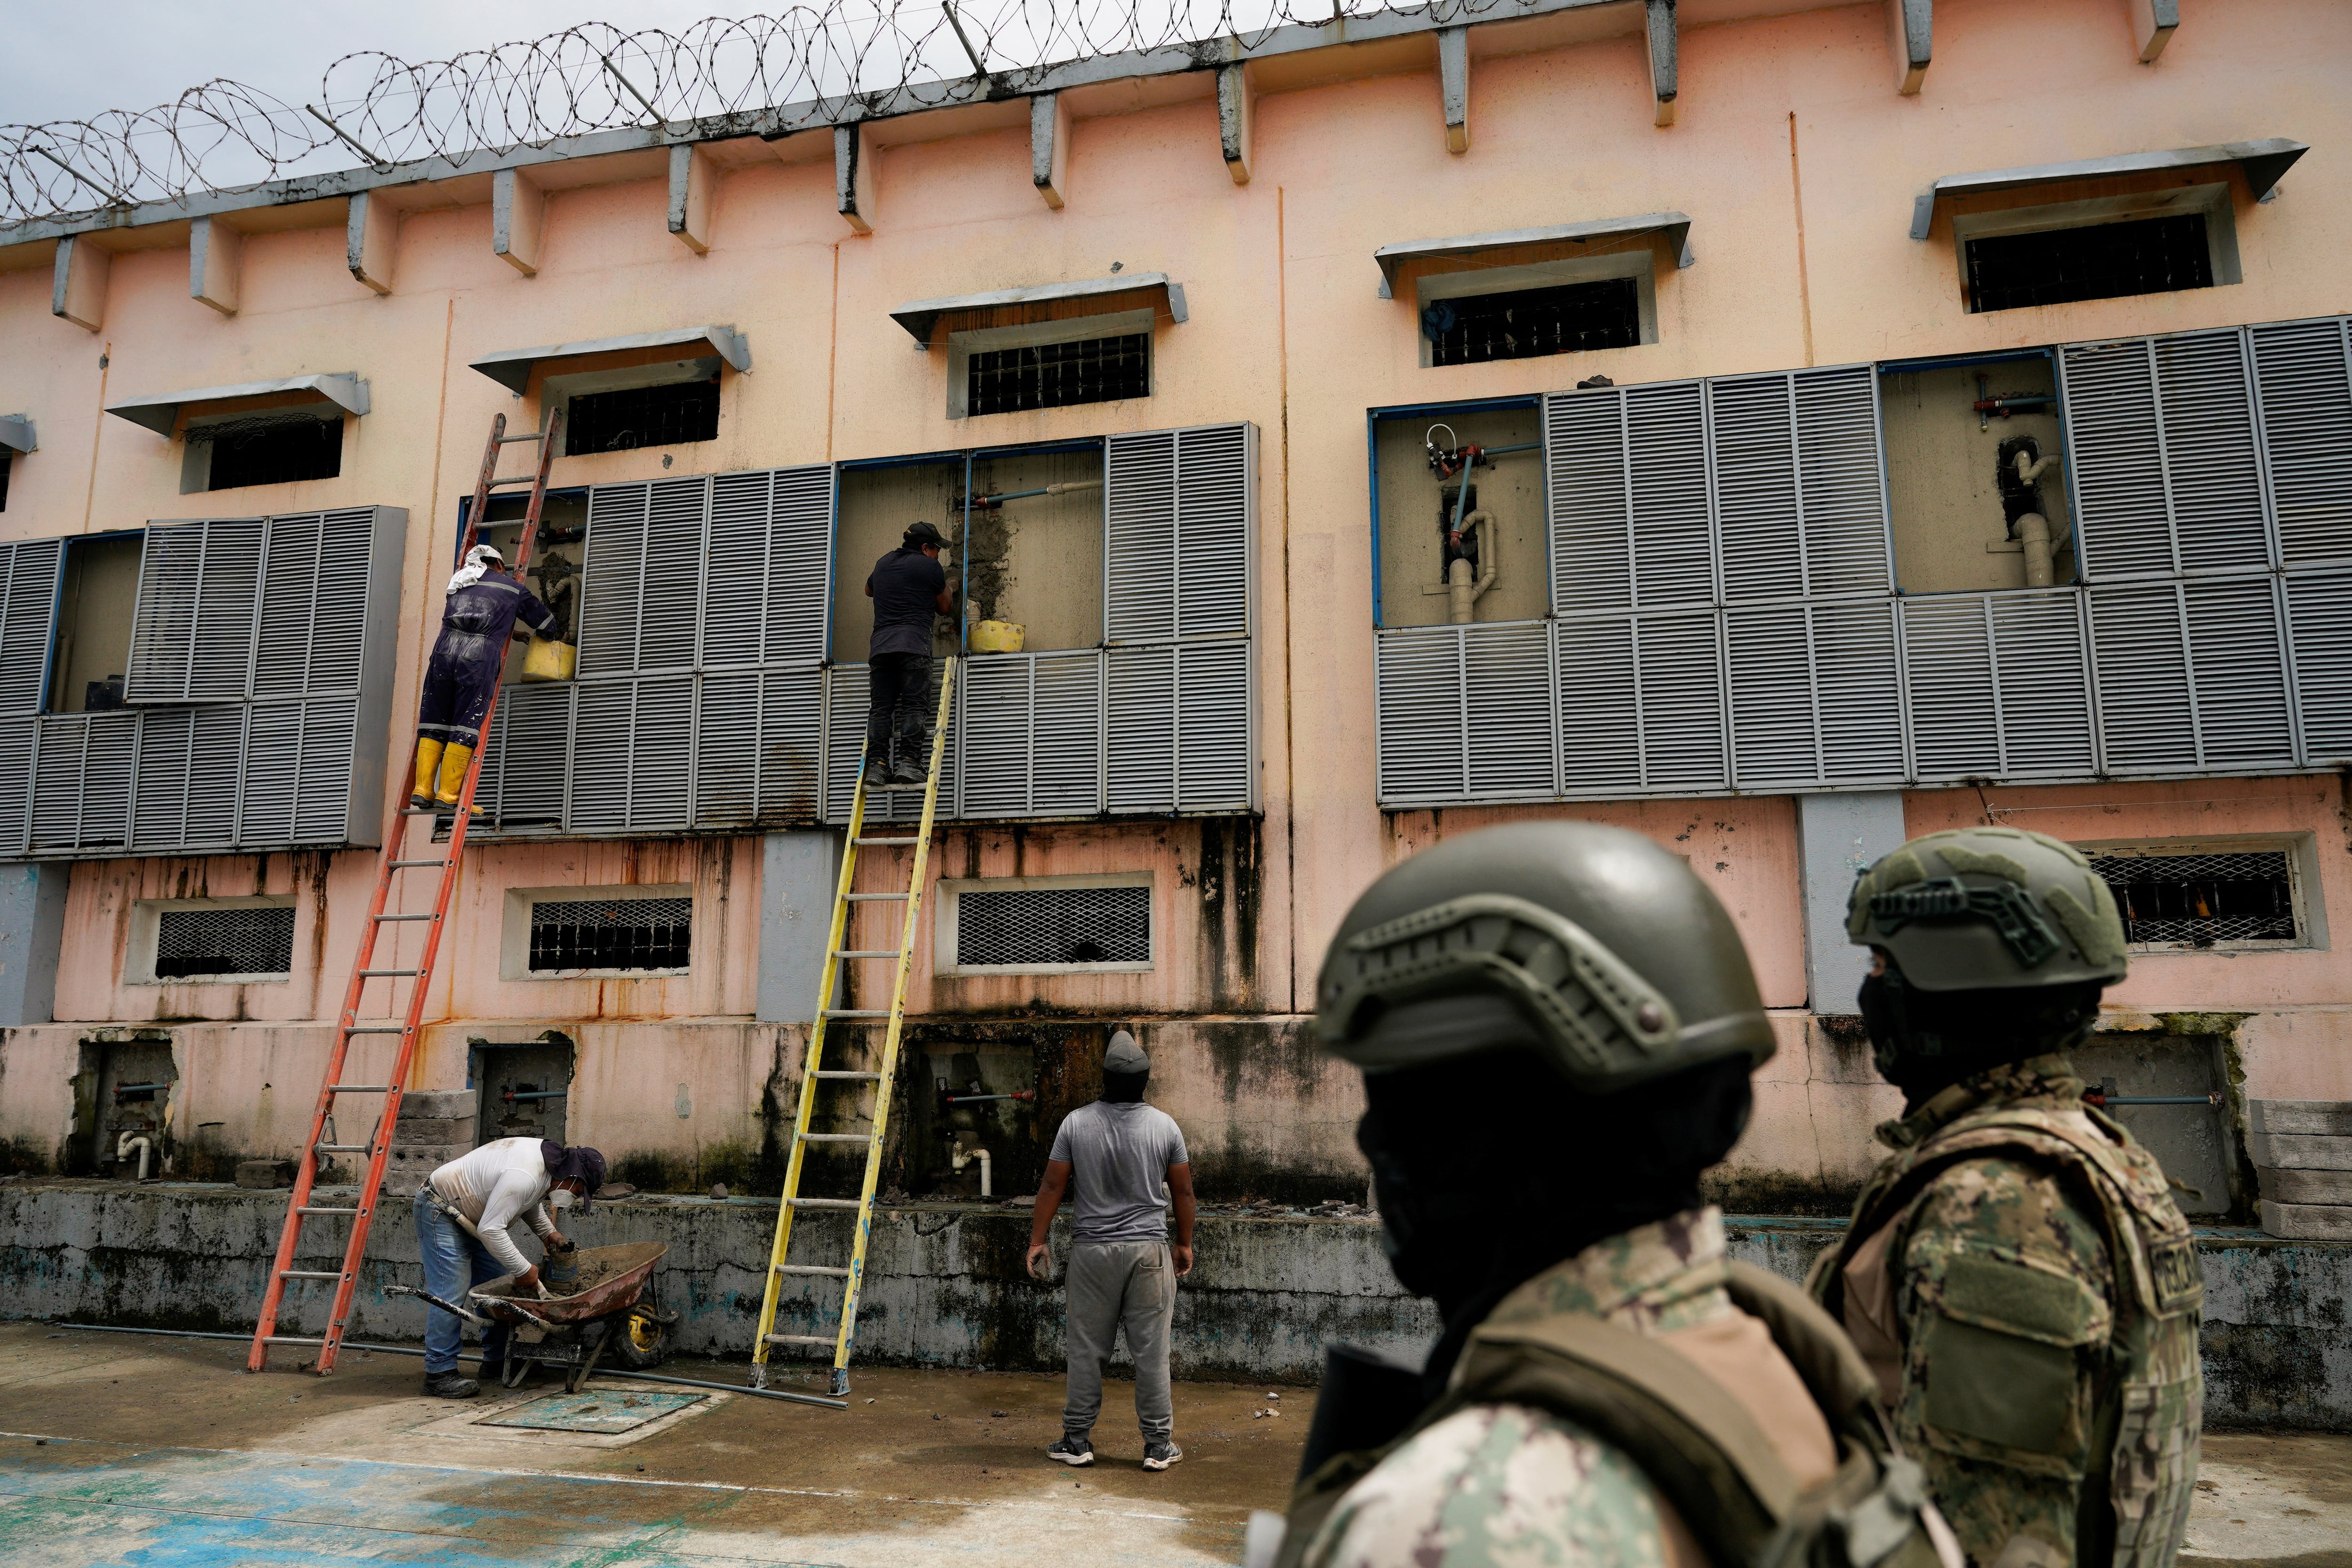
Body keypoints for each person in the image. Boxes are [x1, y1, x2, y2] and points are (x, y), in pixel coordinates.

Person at [1271, 821, 1959, 1568]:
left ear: (1494, 1131)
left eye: (1401, 1106)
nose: (1377, 1143)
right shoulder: (1786, 1365)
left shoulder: (1465, 1511)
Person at [1809, 827, 2202, 1568]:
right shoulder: (2088, 1149)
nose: (1869, 989)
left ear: (1953, 983)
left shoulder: (1999, 1201)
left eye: (1882, 963)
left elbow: (1992, 1533)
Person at [1026, 1030, 1196, 1472]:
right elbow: (1184, 1194)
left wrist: (1037, 1240)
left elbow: (1052, 1186)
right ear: (1145, 1082)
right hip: (1149, 1253)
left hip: (1093, 1255)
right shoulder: (1166, 1127)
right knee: (1152, 1352)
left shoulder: (1076, 1124)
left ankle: (1077, 1440)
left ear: (1103, 1079)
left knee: (1086, 1349)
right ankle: (1158, 1445)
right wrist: (1183, 1244)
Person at [413, 1136, 607, 1398]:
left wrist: (549, 1234)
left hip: (477, 1215)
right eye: (577, 1192)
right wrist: (525, 1270)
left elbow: (527, 1203)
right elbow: (493, 1229)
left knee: (495, 1293)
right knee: (451, 1292)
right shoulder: (525, 1175)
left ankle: (496, 1361)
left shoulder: (547, 1167)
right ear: (572, 1177)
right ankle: (439, 1372)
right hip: (442, 1209)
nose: (573, 1197)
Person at [413, 542, 564, 809]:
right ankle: (448, 794)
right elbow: (545, 623)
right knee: (466, 721)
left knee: (435, 717)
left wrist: (510, 632)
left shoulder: (460, 581)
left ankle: (423, 789)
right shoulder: (512, 588)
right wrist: (549, 635)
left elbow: (472, 617)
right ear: (496, 565)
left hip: (444, 651)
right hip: (478, 655)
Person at [863, 520, 956, 788]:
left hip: (881, 648)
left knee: (881, 709)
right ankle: (910, 763)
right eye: (937, 549)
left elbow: (869, 590)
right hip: (913, 645)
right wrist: (947, 585)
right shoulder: (929, 566)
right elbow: (944, 608)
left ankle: (878, 767)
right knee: (915, 706)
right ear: (926, 548)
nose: (939, 554)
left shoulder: (883, 562)